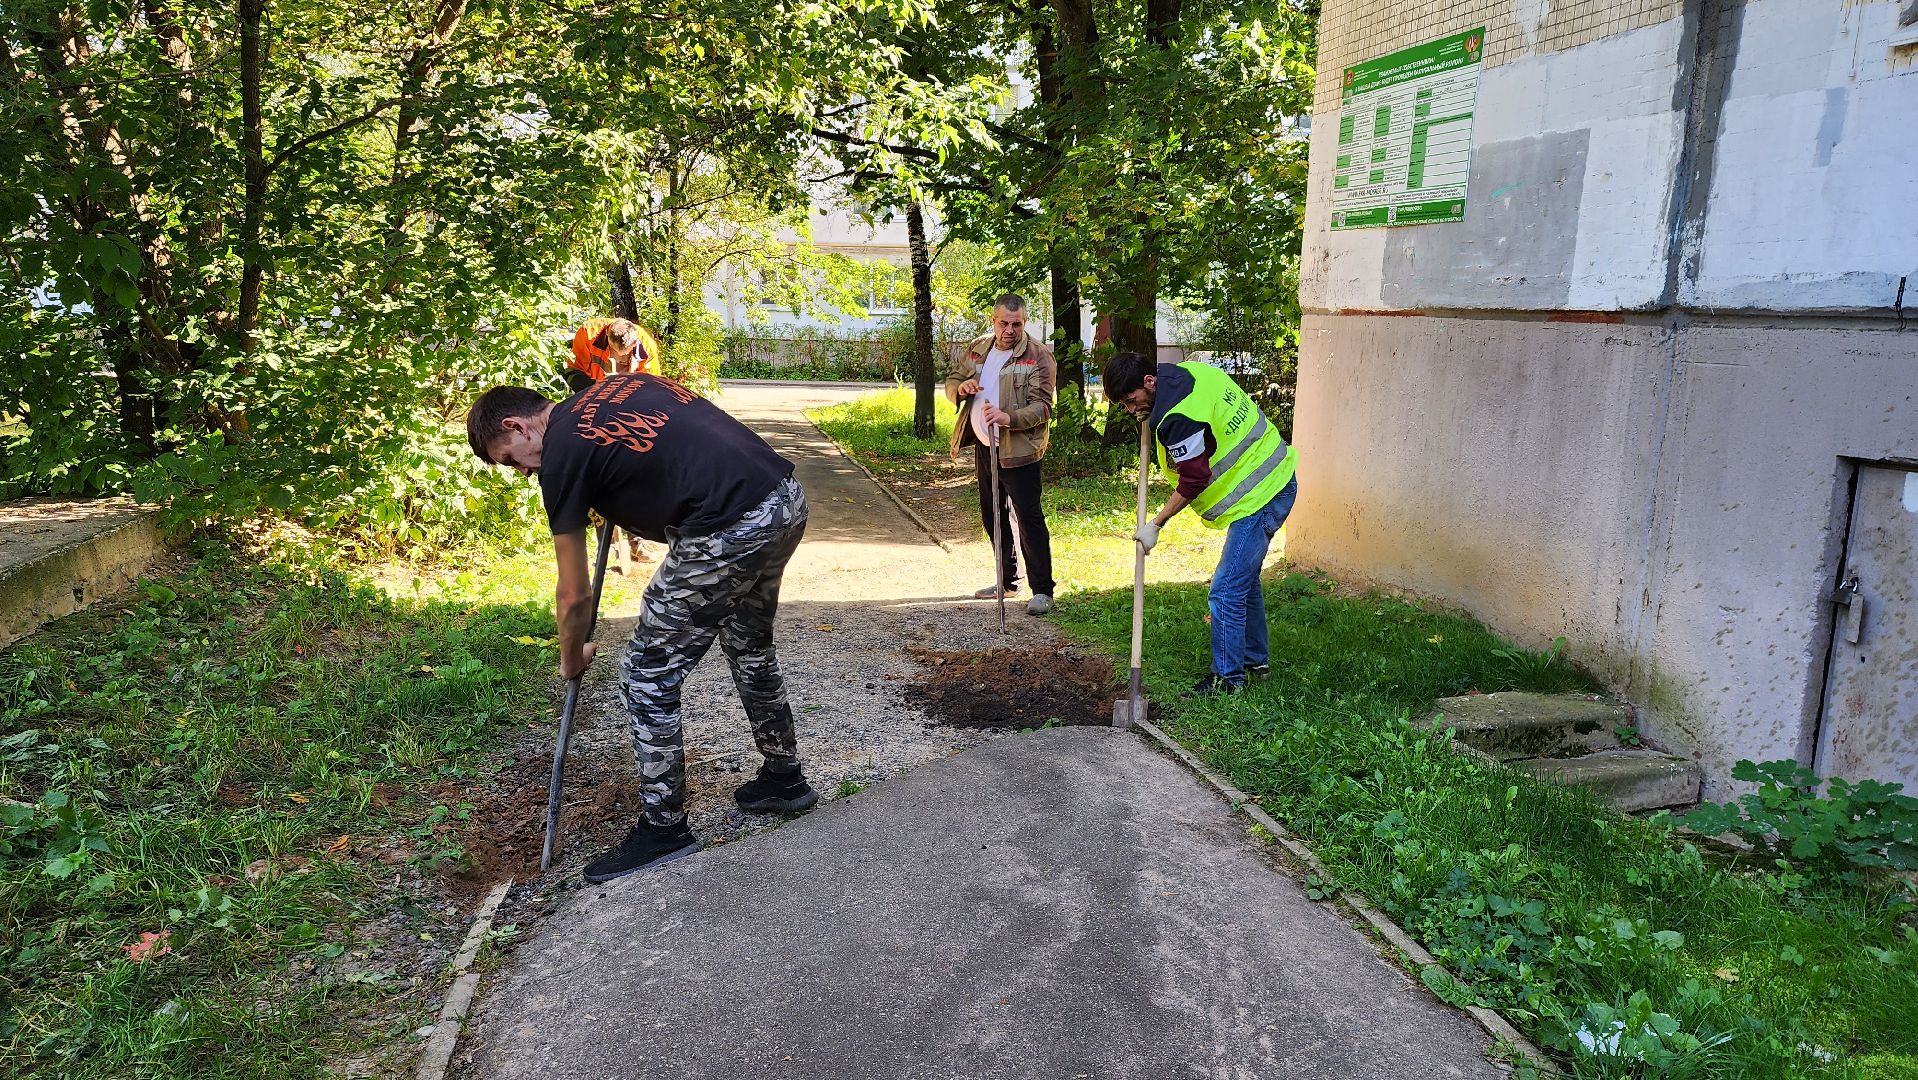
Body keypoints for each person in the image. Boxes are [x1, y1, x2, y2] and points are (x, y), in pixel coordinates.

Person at [466, 373, 816, 881]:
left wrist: (571, 657)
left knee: (646, 675)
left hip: (729, 527)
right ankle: (784, 778)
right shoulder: (619, 386)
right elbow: (670, 450)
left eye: (510, 459)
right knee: (749, 644)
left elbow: (573, 592)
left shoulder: (560, 453)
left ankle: (663, 829)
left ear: (516, 426)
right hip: (782, 500)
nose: (521, 471)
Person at [1102, 351, 1299, 695]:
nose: (1131, 410)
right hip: (1276, 473)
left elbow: (1194, 480)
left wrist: (1157, 523)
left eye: (1132, 401)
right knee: (1243, 579)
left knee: (1225, 590)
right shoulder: (1185, 372)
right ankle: (1255, 661)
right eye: (1123, 405)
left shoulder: (1177, 416)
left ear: (1150, 382)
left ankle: (1228, 680)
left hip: (1261, 493)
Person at [943, 293, 1057, 615]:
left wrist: (1009, 418)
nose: (1009, 330)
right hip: (984, 445)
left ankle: (1043, 591)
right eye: (1004, 323)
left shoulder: (1038, 356)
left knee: (1029, 519)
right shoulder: (979, 349)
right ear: (993, 321)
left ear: (1024, 322)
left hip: (1018, 451)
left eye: (1016, 324)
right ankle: (1007, 580)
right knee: (992, 514)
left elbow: (1043, 407)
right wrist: (961, 388)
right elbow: (952, 380)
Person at [566, 317, 661, 393]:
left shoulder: (647, 346)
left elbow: (652, 385)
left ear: (635, 342)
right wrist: (598, 387)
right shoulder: (588, 333)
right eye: (614, 350)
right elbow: (571, 372)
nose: (619, 356)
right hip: (592, 392)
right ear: (607, 332)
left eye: (626, 353)